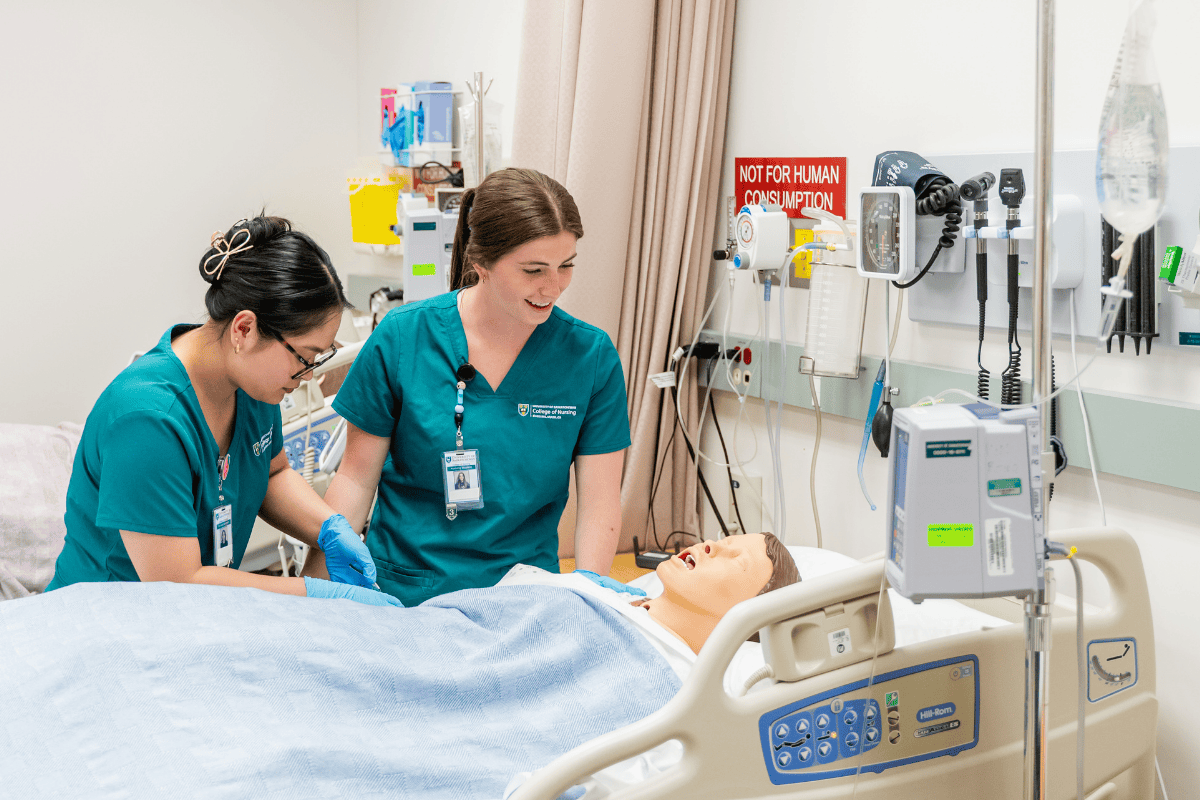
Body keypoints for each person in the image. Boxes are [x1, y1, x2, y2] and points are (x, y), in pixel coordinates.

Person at [3, 533, 799, 798]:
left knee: (266, 749)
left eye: (736, 556)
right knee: (196, 640)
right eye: (719, 535)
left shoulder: (676, 686)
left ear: (754, 613)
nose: (708, 544)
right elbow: (457, 639)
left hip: (443, 707)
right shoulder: (585, 595)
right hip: (405, 646)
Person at [307, 168, 637, 605]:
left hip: (524, 602)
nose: (553, 286)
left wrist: (586, 601)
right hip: (405, 595)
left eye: (566, 265)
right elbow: (355, 479)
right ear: (481, 263)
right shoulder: (404, 338)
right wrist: (314, 594)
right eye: (533, 269)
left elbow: (598, 505)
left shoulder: (589, 357)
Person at [46, 215, 399, 608]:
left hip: (195, 616)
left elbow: (272, 471)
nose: (307, 376)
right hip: (107, 624)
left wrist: (330, 530)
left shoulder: (250, 386)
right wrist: (313, 595)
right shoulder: (147, 420)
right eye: (305, 358)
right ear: (244, 330)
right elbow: (178, 582)